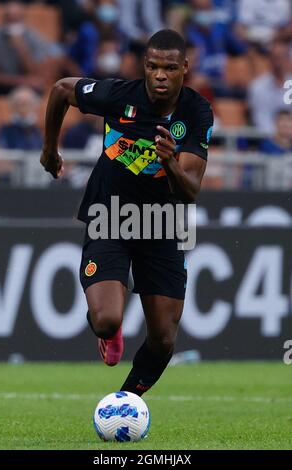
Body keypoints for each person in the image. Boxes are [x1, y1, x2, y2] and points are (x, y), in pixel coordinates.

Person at [40, 29, 213, 396]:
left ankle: (126, 402)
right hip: (110, 216)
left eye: (169, 67)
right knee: (105, 320)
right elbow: (60, 90)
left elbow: (191, 189)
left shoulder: (196, 111)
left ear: (184, 68)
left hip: (161, 224)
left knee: (164, 339)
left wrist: (171, 163)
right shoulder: (118, 96)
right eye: (152, 66)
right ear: (144, 67)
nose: (160, 75)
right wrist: (50, 151)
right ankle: (111, 333)